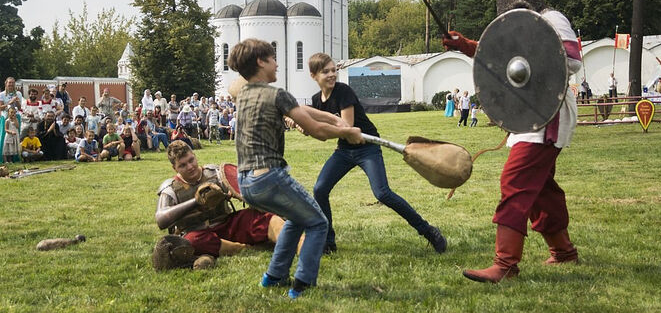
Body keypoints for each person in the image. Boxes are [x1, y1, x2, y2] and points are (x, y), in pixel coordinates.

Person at [443, 0, 581, 283]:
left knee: (515, 181)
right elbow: (501, 58)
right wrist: (465, 45)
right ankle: (563, 251)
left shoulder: (550, 19)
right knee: (542, 188)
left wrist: (534, 49)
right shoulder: (516, 24)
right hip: (528, 114)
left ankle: (505, 264)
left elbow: (571, 59)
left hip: (548, 113)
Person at [229, 38, 363, 299]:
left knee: (297, 218)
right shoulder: (277, 94)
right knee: (317, 223)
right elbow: (316, 131)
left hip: (246, 182)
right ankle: (302, 285)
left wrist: (333, 119)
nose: (277, 63)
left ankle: (273, 277)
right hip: (269, 176)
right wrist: (347, 132)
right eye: (272, 58)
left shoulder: (243, 93)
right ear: (260, 62)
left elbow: (300, 110)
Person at [305, 52, 447, 256]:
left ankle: (428, 231)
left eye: (333, 70)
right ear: (313, 75)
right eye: (325, 71)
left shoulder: (343, 91)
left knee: (382, 193)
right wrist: (303, 126)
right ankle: (328, 242)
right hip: (344, 151)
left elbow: (347, 127)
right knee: (320, 189)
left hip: (366, 147)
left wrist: (314, 123)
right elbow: (321, 134)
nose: (331, 75)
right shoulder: (316, 100)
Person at [156, 141, 295, 261]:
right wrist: (196, 201)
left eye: (191, 160)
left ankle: (295, 241)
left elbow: (245, 189)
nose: (190, 166)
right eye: (183, 165)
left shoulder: (215, 173)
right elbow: (162, 219)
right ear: (174, 168)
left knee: (259, 218)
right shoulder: (171, 188)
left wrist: (229, 193)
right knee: (191, 241)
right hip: (198, 233)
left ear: (195, 155)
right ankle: (241, 248)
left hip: (227, 224)